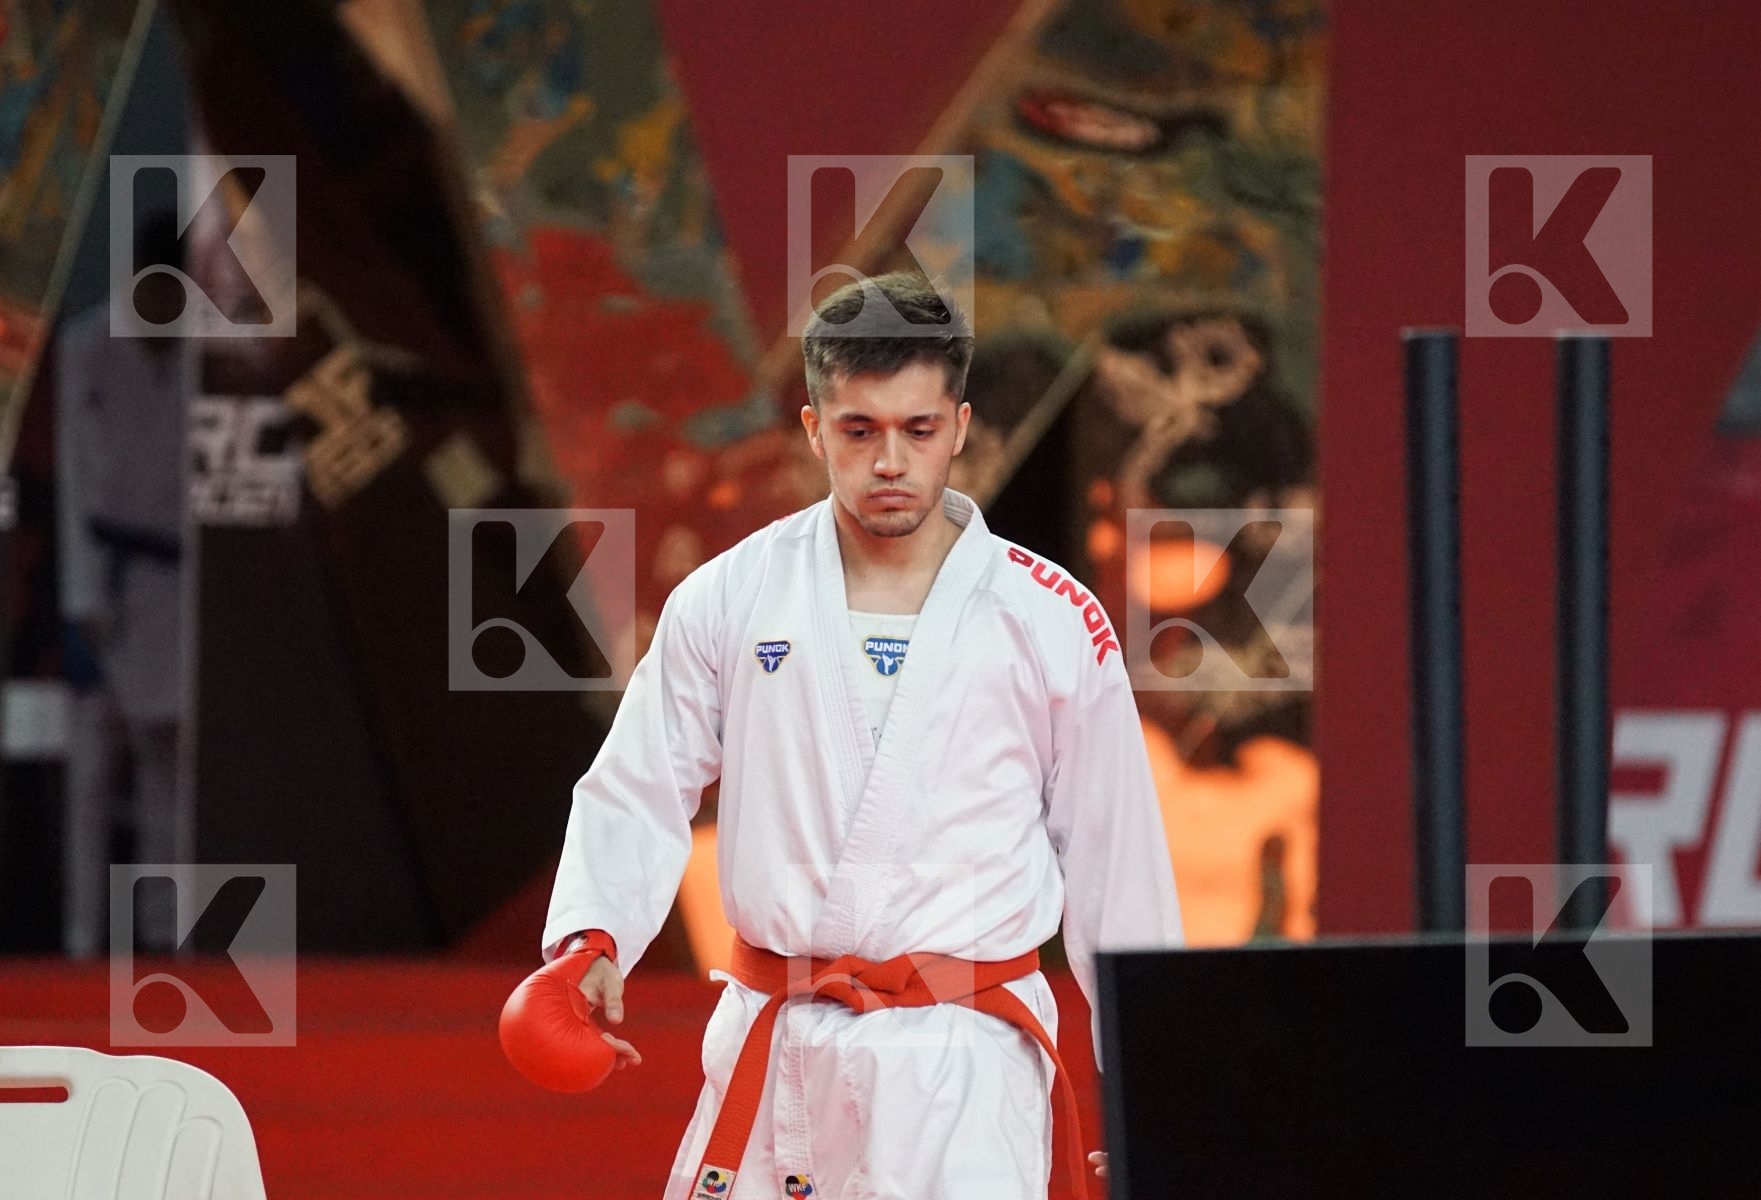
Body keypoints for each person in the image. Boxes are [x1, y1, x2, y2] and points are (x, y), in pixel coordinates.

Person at [542, 272, 1182, 1199]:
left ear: (960, 428)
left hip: (962, 1063)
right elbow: (637, 784)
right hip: (780, 1031)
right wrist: (592, 938)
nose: (891, 462)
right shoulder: (729, 596)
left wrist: (1150, 1093)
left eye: (918, 431)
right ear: (813, 430)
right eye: (859, 430)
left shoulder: (1052, 619)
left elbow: (1117, 865)